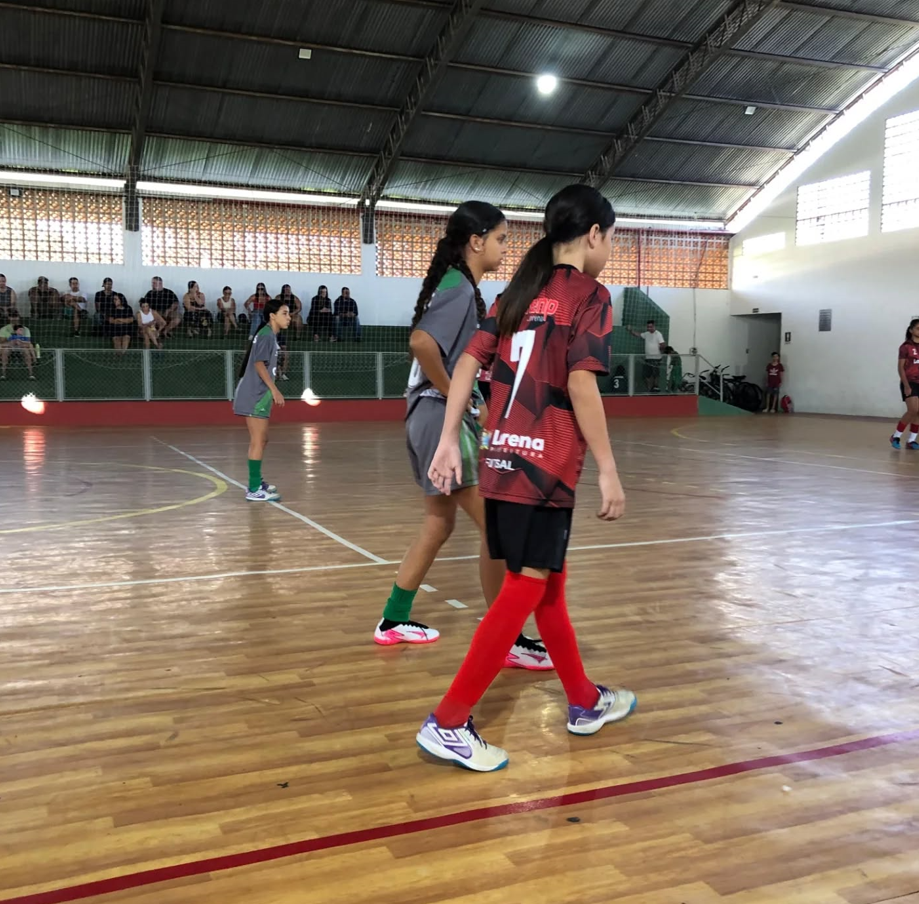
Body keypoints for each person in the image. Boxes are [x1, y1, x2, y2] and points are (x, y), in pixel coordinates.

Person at [417, 184, 636, 772]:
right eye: (611, 238)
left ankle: (584, 700)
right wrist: (608, 469)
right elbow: (582, 383)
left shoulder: (519, 291)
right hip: (545, 466)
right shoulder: (590, 296)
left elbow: (469, 360)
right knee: (523, 588)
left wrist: (449, 438)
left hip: (501, 458)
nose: (610, 249)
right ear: (594, 234)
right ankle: (449, 720)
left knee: (547, 586)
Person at [375, 201, 553, 672]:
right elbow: (421, 343)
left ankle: (393, 619)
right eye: (500, 239)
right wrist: (457, 396)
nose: (505, 247)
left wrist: (473, 402)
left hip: (425, 417)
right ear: (476, 241)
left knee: (439, 523)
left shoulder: (457, 286)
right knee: (498, 526)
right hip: (438, 418)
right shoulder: (458, 288)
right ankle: (507, 637)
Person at [233, 298, 290, 502]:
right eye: (284, 313)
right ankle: (253, 488)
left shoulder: (269, 335)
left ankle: (257, 481)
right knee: (258, 440)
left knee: (263, 440)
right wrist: (275, 390)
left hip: (259, 395)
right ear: (272, 316)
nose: (289, 318)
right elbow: (259, 364)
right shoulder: (266, 335)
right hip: (254, 395)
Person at [891, 318, 919, 450]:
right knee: (913, 410)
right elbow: (900, 367)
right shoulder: (905, 347)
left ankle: (911, 440)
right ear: (911, 330)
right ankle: (896, 436)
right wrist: (906, 386)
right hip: (910, 382)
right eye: (918, 328)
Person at [627, 319, 666, 392]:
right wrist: (630, 330)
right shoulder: (646, 334)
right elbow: (637, 334)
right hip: (648, 358)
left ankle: (656, 387)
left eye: (651, 327)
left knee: (656, 374)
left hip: (656, 358)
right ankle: (649, 389)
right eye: (648, 327)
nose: (649, 328)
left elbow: (662, 344)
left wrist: (661, 351)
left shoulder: (658, 334)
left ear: (654, 326)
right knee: (646, 374)